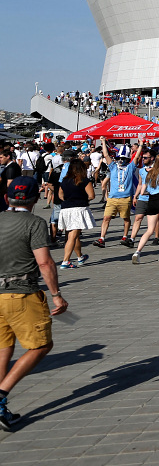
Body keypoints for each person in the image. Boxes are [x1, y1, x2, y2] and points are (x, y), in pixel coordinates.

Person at [0, 177, 68, 432]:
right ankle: (0, 394)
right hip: (22, 294)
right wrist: (56, 294)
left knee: (3, 348)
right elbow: (45, 263)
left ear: (7, 198)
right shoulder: (34, 223)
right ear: (35, 199)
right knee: (41, 345)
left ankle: (1, 407)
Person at [131, 154, 159, 263]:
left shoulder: (149, 174)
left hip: (151, 200)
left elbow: (142, 191)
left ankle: (137, 252)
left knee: (149, 230)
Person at [97, 140, 138, 248]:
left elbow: (137, 157)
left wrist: (141, 145)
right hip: (112, 198)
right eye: (119, 158)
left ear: (127, 159)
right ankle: (102, 238)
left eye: (123, 158)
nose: (121, 160)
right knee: (106, 218)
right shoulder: (113, 167)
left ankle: (125, 236)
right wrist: (103, 142)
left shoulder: (130, 167)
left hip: (125, 198)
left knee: (126, 218)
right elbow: (105, 155)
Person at [56, 158, 95, 268]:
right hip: (79, 209)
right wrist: (82, 199)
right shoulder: (84, 180)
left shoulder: (64, 180)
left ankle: (80, 257)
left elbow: (60, 195)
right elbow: (91, 195)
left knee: (73, 235)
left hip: (66, 209)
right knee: (73, 236)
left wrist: (68, 200)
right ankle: (65, 261)